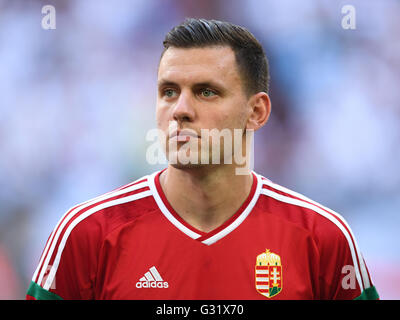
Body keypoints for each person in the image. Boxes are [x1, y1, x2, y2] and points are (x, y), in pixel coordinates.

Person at [26, 18, 378, 300]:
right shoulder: (86, 235)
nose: (180, 110)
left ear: (256, 111)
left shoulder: (322, 239)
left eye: (206, 92)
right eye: (168, 92)